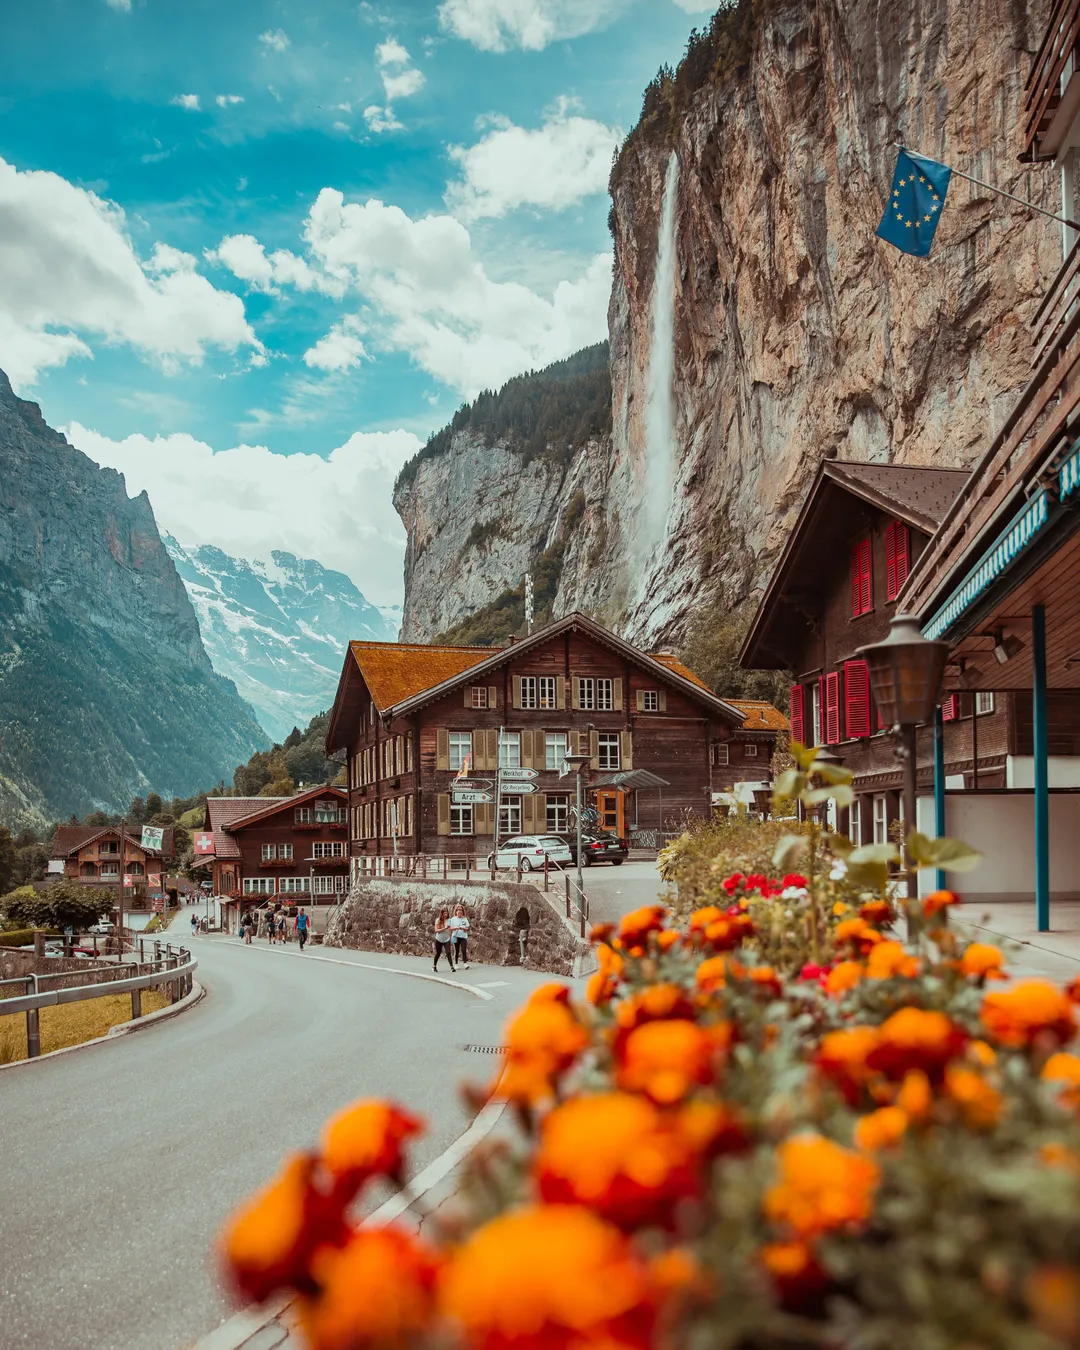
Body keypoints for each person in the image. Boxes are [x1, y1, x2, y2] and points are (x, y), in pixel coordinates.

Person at [433, 907, 455, 973]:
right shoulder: (438, 920)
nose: (446, 915)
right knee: (438, 953)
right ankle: (434, 966)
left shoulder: (449, 920)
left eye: (446, 913)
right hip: (439, 939)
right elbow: (436, 930)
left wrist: (450, 936)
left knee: (448, 952)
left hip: (447, 939)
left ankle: (452, 967)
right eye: (444, 913)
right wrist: (445, 928)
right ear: (441, 914)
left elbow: (451, 929)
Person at [449, 903, 471, 969]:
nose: (459, 911)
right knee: (456, 950)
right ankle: (455, 964)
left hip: (463, 936)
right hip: (455, 936)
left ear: (462, 911)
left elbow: (468, 928)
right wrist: (456, 928)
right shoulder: (453, 919)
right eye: (458, 910)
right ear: (456, 911)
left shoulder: (465, 919)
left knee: (463, 949)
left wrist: (463, 928)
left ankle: (465, 963)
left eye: (461, 910)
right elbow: (450, 928)